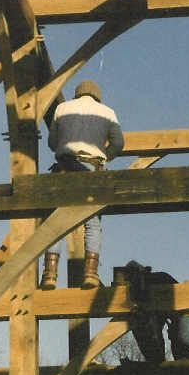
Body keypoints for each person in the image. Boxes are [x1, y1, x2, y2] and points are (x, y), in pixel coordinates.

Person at [39, 79, 124, 290]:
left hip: (64, 169)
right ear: (97, 95)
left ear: (77, 94)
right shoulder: (108, 112)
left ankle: (49, 274)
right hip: (91, 171)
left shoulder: (62, 108)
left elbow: (52, 143)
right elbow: (119, 143)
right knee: (92, 223)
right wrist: (105, 156)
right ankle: (90, 274)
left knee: (55, 223)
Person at [122, 260, 189, 362]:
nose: (131, 282)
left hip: (188, 311)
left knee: (185, 337)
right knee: (181, 355)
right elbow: (157, 327)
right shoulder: (150, 287)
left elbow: (174, 296)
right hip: (180, 316)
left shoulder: (155, 279)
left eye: (131, 278)